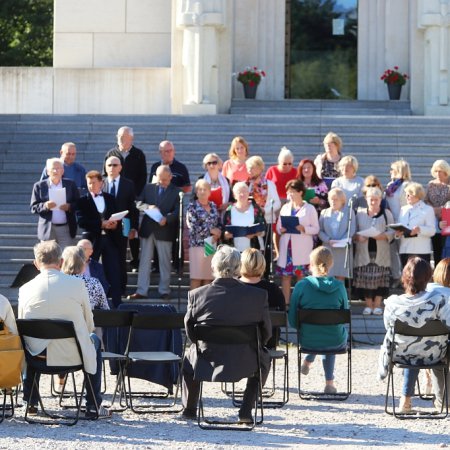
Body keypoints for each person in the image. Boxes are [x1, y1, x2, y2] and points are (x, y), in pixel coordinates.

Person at [18, 241, 111, 418]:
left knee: (28, 342)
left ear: (36, 264)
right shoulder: (77, 285)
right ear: (60, 262)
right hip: (73, 354)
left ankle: (30, 401)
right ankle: (92, 404)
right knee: (94, 340)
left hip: (38, 356)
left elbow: (22, 326)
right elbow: (89, 324)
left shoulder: (24, 290)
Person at [181, 245, 271, 423]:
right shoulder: (258, 296)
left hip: (207, 357)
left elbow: (191, 332)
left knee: (189, 358)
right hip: (246, 357)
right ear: (239, 268)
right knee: (264, 358)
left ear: (214, 267)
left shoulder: (196, 295)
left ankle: (190, 409)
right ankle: (246, 411)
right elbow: (266, 332)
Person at [378, 257, 450, 414]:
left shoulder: (392, 303)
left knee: (413, 347)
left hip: (402, 355)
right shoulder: (439, 300)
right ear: (428, 277)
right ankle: (443, 402)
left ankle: (405, 401)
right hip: (434, 356)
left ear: (404, 277)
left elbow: (388, 328)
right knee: (438, 350)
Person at [288, 246, 349, 394]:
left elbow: (292, 319)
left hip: (308, 339)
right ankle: (329, 383)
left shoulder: (301, 285)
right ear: (331, 264)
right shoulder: (340, 286)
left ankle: (308, 361)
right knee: (330, 331)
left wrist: (301, 328)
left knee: (318, 331)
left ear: (311, 263)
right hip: (335, 339)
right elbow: (344, 315)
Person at [127, 165, 181, 301]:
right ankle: (141, 290)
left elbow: (177, 211)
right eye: (159, 179)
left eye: (165, 179)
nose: (162, 182)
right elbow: (138, 203)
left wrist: (167, 219)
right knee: (144, 261)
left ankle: (164, 290)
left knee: (164, 262)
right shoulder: (149, 187)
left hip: (164, 230)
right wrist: (147, 206)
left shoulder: (176, 191)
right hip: (148, 229)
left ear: (170, 177)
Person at [103, 126, 147, 271]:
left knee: (130, 230)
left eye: (125, 137)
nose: (121, 139)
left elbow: (143, 176)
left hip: (130, 201)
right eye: (119, 136)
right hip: (113, 200)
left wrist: (136, 194)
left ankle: (134, 259)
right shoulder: (111, 153)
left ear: (131, 138)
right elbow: (104, 174)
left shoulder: (138, 154)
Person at [76, 170, 122, 308]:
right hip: (92, 240)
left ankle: (116, 302)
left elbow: (116, 215)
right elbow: (81, 221)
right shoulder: (82, 201)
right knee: (90, 270)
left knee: (113, 270)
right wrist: (100, 224)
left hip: (109, 239)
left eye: (93, 183)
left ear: (101, 183)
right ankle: (90, 300)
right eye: (89, 183)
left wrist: (113, 225)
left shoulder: (110, 198)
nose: (90, 186)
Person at [276, 179, 320, 306]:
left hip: (302, 248)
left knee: (301, 277)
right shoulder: (285, 207)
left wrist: (304, 228)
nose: (290, 195)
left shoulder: (310, 209)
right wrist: (281, 229)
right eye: (288, 192)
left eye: (293, 192)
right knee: (285, 277)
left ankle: (301, 303)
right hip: (287, 247)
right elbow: (279, 227)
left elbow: (316, 228)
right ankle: (286, 304)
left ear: (300, 192)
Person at [353, 187, 394, 315]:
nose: (374, 202)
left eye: (376, 199)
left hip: (381, 253)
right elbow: (352, 232)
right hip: (363, 252)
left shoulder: (387, 213)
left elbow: (392, 231)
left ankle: (377, 305)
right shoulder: (359, 213)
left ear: (380, 200)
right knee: (365, 280)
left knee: (380, 280)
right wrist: (357, 237)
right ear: (366, 199)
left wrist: (381, 236)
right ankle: (368, 305)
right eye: (371, 199)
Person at [103, 155, 139, 293]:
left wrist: (132, 228)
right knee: (106, 259)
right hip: (106, 227)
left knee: (121, 258)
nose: (112, 168)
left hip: (123, 226)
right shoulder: (102, 183)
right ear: (105, 168)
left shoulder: (128, 184)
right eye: (109, 165)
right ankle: (107, 288)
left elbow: (132, 208)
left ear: (120, 167)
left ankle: (121, 288)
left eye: (115, 165)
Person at [240, 248, 285, 349]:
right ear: (262, 265)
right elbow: (281, 316)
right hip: (267, 341)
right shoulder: (274, 290)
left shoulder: (232, 289)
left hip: (238, 340)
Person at [31, 158, 79, 249]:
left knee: (66, 258)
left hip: (66, 228)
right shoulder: (39, 186)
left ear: (63, 170)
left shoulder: (70, 184)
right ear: (48, 171)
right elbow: (33, 207)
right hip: (48, 229)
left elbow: (78, 203)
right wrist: (45, 206)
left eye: (58, 168)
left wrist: (69, 206)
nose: (55, 171)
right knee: (48, 259)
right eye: (53, 168)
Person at [246, 156, 281, 274]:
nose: (249, 170)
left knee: (266, 251)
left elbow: (277, 203)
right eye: (248, 168)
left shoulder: (269, 184)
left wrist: (265, 211)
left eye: (252, 168)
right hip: (250, 223)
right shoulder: (246, 185)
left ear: (260, 169)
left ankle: (265, 274)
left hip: (267, 221)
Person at [186, 179, 222, 289]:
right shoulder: (192, 207)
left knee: (208, 276)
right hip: (197, 244)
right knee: (197, 276)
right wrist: (211, 230)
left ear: (209, 192)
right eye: (200, 189)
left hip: (210, 243)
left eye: (205, 189)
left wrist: (218, 233)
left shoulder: (213, 206)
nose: (202, 191)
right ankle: (193, 304)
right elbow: (192, 226)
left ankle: (205, 302)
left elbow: (218, 223)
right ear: (196, 192)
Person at [265, 146, 297, 262]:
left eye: (290, 164)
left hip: (290, 202)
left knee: (288, 227)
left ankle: (290, 254)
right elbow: (266, 186)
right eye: (285, 164)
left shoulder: (295, 171)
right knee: (276, 229)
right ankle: (278, 253)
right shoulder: (272, 170)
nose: (287, 166)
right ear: (279, 162)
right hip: (276, 201)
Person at [395, 182, 436, 267]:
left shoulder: (427, 209)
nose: (406, 197)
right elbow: (400, 226)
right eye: (406, 195)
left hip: (420, 250)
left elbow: (432, 231)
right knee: (407, 278)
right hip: (405, 249)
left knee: (421, 277)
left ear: (417, 195)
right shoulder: (403, 209)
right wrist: (397, 234)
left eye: (409, 195)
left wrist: (419, 229)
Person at [318, 188, 355, 280]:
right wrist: (328, 240)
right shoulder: (324, 212)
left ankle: (339, 294)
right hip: (328, 248)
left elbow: (351, 229)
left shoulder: (349, 212)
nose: (333, 201)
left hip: (342, 249)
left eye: (336, 199)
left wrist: (340, 241)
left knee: (340, 276)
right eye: (331, 199)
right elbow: (319, 230)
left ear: (342, 200)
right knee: (327, 275)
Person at [385, 160, 412, 284]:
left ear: (400, 171)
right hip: (391, 222)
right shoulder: (391, 185)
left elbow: (406, 207)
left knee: (403, 252)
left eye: (393, 169)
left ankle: (405, 278)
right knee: (392, 251)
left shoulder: (407, 186)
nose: (390, 172)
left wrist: (401, 225)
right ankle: (396, 276)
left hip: (401, 223)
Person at [61, 246, 109, 311]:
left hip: (60, 320)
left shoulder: (53, 282)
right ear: (83, 263)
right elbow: (105, 309)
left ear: (62, 262)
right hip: (85, 320)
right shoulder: (94, 283)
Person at [223, 182, 266, 253]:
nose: (242, 194)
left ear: (248, 193)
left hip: (254, 250)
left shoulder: (255, 208)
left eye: (245, 191)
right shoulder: (229, 210)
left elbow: (263, 230)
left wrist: (254, 234)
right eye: (239, 192)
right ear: (234, 195)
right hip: (234, 252)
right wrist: (226, 235)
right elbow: (224, 232)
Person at [424, 159, 450, 266]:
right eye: (436, 171)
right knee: (436, 247)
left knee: (446, 247)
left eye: (441, 171)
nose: (438, 173)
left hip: (447, 219)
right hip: (433, 219)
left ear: (446, 171)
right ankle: (437, 273)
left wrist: (442, 209)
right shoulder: (431, 184)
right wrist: (433, 209)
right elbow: (425, 200)